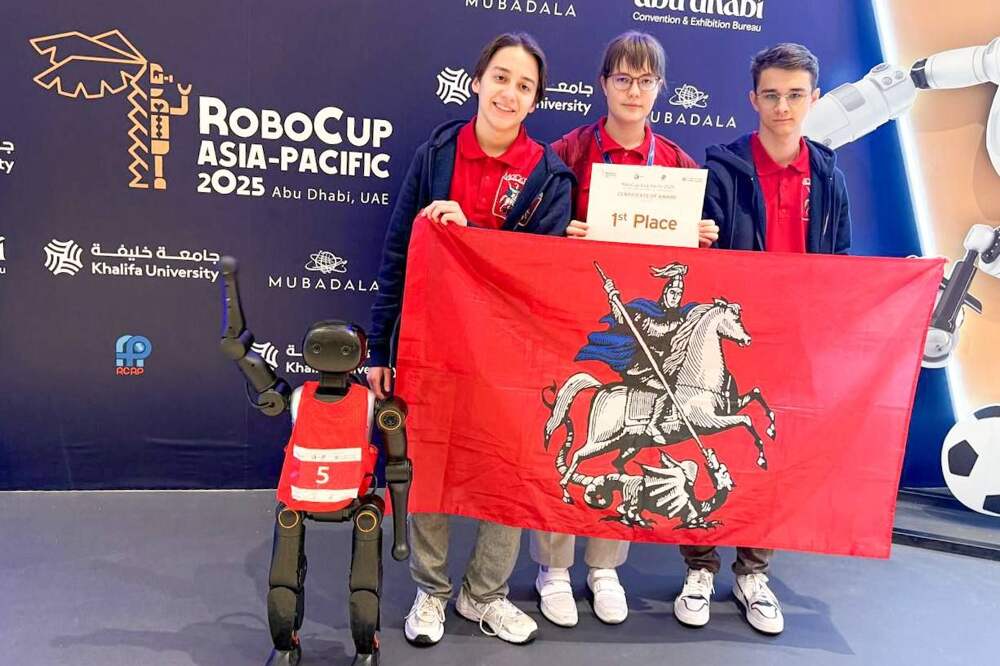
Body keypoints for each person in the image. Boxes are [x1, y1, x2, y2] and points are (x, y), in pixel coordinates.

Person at [366, 32, 574, 647]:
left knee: (506, 472)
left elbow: (541, 275)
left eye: (525, 86)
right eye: (501, 78)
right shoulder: (436, 154)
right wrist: (380, 347)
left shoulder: (549, 176)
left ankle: (484, 594)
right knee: (428, 462)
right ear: (477, 81)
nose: (510, 93)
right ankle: (431, 591)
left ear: (535, 100)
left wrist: (471, 234)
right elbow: (398, 253)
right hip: (430, 344)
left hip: (511, 355)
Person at [529, 30, 717, 629]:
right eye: (622, 79)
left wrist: (701, 239)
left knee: (632, 434)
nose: (634, 91)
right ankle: (553, 567)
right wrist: (562, 230)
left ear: (660, 88)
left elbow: (693, 266)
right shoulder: (567, 150)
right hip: (573, 320)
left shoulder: (679, 165)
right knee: (570, 435)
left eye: (645, 80)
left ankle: (606, 566)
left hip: (643, 332)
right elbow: (532, 232)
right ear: (603, 84)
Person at [675, 42, 851, 636]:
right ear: (752, 98)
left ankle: (753, 572)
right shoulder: (721, 169)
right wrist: (696, 238)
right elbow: (699, 257)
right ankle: (699, 566)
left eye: (795, 95)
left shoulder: (828, 177)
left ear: (814, 99)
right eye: (771, 95)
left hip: (791, 342)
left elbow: (840, 260)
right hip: (728, 340)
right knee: (705, 444)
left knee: (768, 454)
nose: (783, 107)